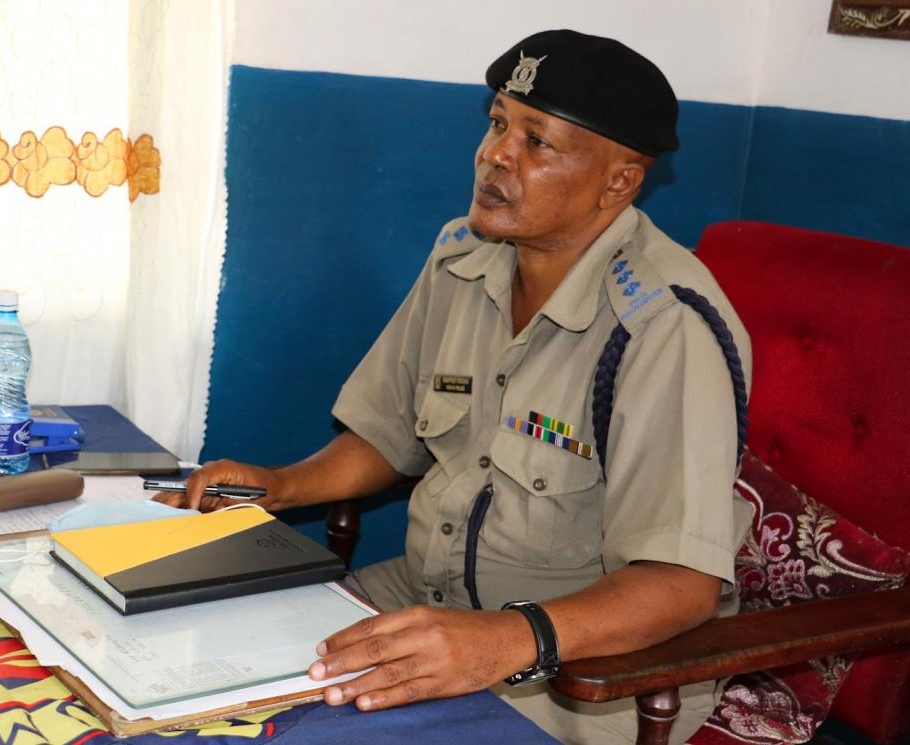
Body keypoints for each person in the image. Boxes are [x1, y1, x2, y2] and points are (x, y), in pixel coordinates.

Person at [158, 29, 753, 745]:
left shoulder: (662, 326)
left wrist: (504, 638)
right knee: (193, 674)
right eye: (498, 121)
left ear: (619, 180)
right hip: (425, 601)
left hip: (581, 666)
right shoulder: (461, 261)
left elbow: (680, 584)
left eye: (536, 142)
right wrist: (277, 485)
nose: (495, 154)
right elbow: (389, 432)